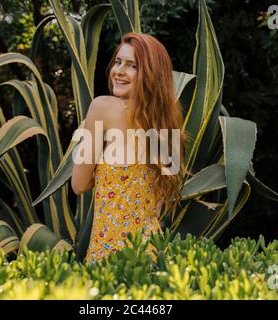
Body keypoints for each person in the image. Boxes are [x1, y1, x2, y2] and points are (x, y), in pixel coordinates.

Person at [71, 32, 186, 263]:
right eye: (118, 62)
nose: (119, 72)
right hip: (152, 256)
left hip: (110, 254)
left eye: (132, 66)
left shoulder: (103, 107)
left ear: (151, 74)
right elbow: (161, 200)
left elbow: (79, 184)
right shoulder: (168, 120)